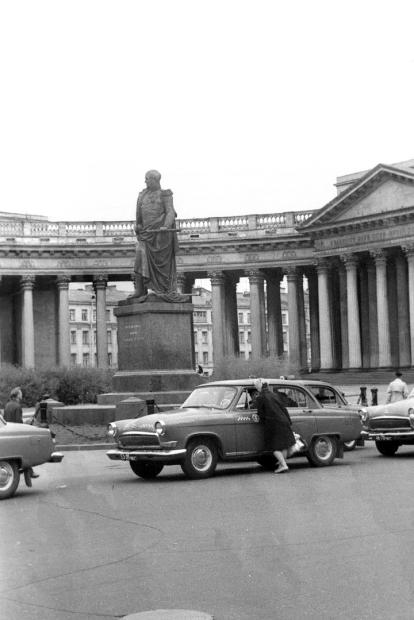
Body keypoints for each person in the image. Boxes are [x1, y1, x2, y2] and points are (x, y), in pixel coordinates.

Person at [131, 169, 186, 302]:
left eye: (147, 179)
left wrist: (166, 226)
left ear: (155, 180)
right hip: (146, 234)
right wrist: (138, 226)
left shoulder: (165, 194)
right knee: (139, 257)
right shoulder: (142, 195)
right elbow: (138, 216)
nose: (145, 181)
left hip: (161, 235)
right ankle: (140, 290)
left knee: (161, 264)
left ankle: (161, 290)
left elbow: (170, 212)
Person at [254, 378, 296, 474]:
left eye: (256, 387)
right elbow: (284, 409)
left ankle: (284, 465)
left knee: (274, 448)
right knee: (283, 446)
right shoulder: (275, 395)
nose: (256, 389)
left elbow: (261, 414)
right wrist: (289, 421)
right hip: (284, 421)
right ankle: (281, 465)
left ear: (259, 386)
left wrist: (261, 421)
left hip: (273, 424)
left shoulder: (260, 398)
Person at [3, 387, 39, 479]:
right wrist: (27, 423)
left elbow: (6, 420)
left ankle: (30, 472)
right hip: (15, 433)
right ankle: (30, 472)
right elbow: (18, 423)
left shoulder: (7, 405)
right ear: (17, 395)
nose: (22, 394)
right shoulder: (17, 406)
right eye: (20, 393)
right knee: (26, 452)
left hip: (7, 433)